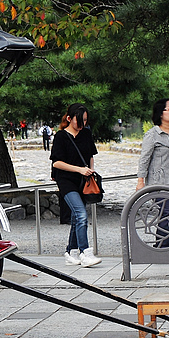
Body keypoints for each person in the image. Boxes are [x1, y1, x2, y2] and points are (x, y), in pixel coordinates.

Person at [50, 103, 101, 267]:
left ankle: (71, 252)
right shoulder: (61, 136)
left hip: (83, 181)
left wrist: (90, 171)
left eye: (85, 120)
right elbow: (56, 163)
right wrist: (79, 169)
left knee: (75, 218)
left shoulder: (86, 133)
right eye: (79, 121)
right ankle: (84, 252)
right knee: (81, 215)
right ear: (69, 119)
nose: (82, 124)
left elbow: (91, 155)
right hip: (66, 180)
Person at [137, 98, 169, 247]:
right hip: (160, 182)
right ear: (160, 113)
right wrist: (141, 181)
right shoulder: (153, 134)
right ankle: (163, 247)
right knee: (167, 212)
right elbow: (144, 158)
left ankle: (161, 247)